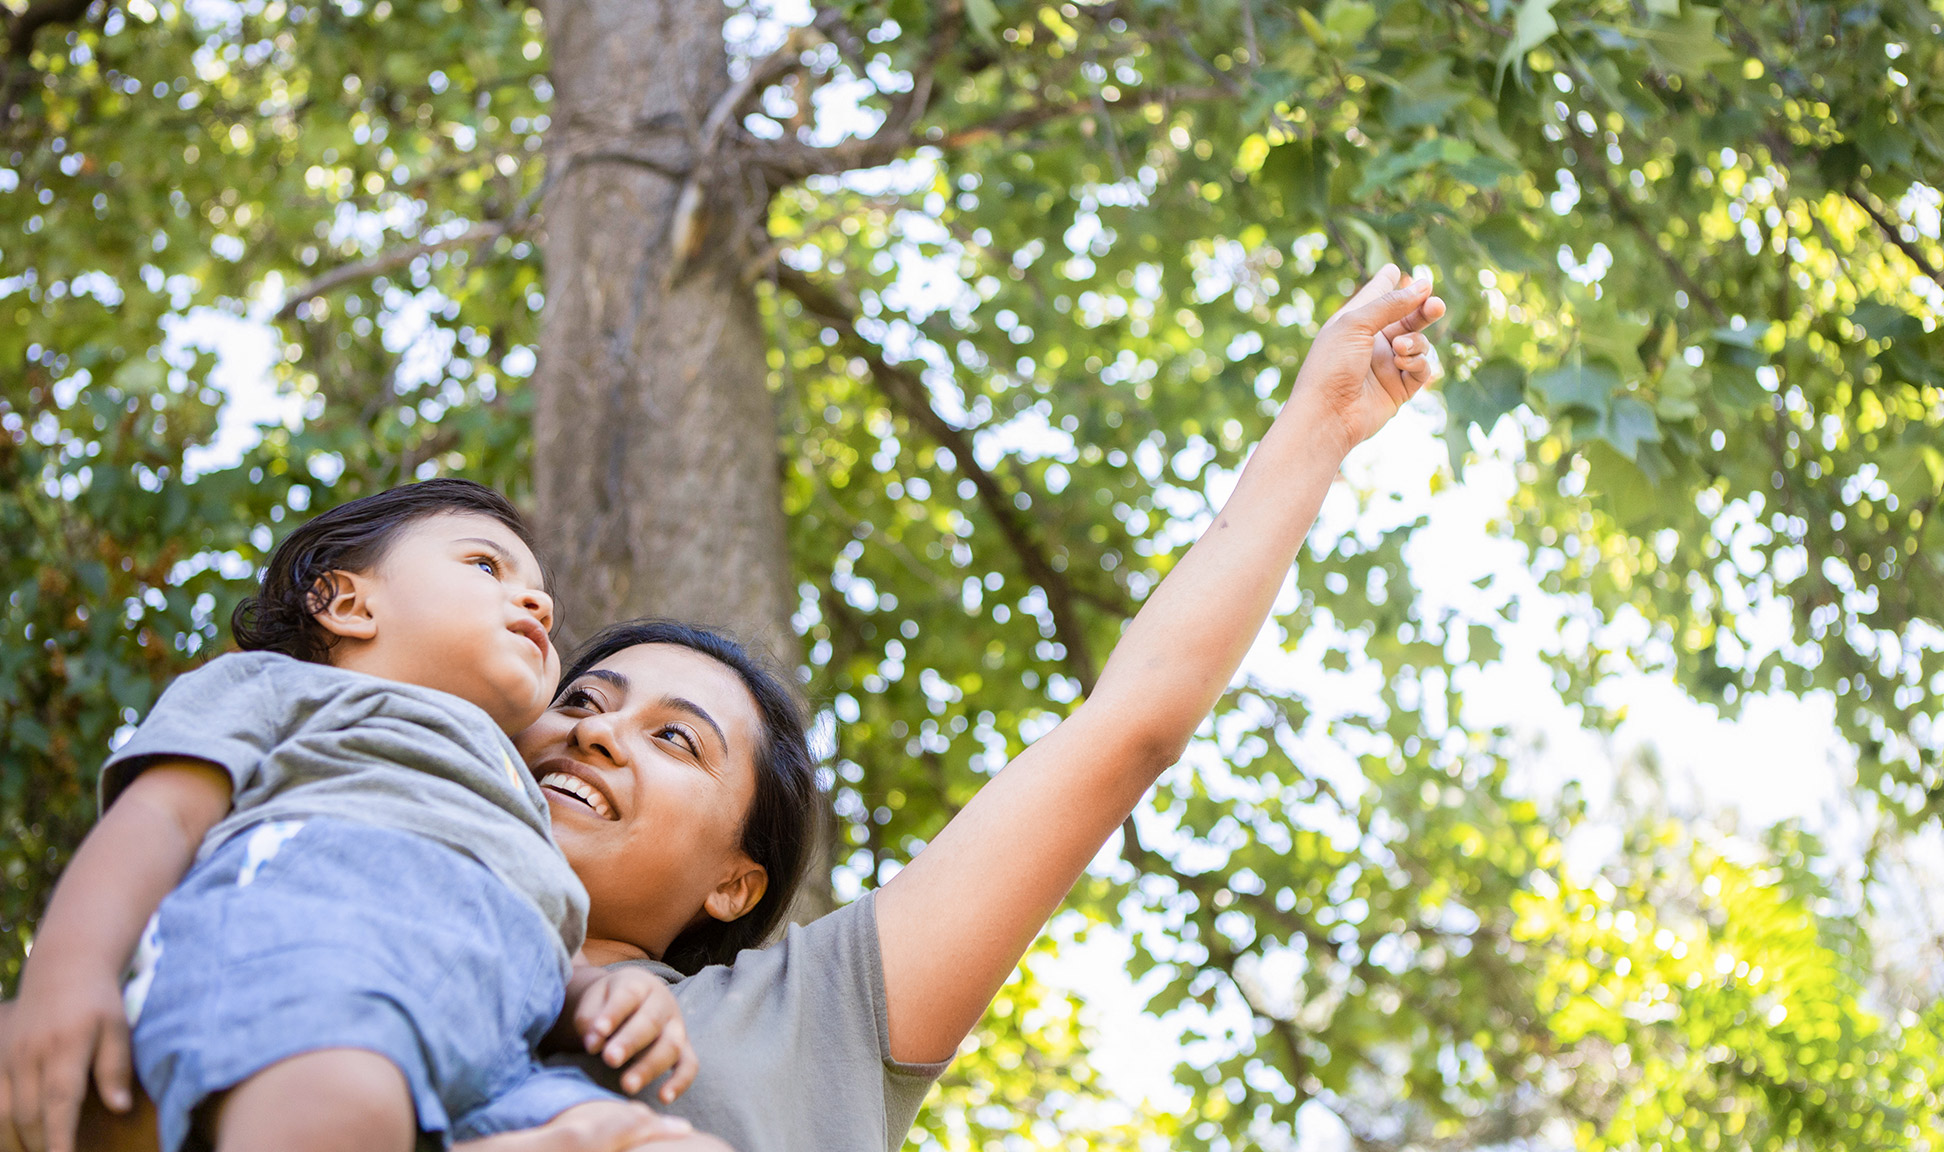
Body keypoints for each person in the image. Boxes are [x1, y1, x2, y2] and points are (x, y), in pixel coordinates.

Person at [9, 264, 1444, 1152]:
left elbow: (1122, 730)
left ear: (740, 876)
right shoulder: (305, 862)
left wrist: (1314, 428)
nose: (595, 731)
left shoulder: (813, 1013)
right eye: (584, 701)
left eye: (674, 740)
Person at [0, 481, 718, 1152]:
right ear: (348, 605)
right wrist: (70, 974)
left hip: (488, 1061)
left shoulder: (518, 798)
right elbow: (157, 822)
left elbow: (524, 943)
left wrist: (602, 993)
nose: (539, 606)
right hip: (302, 977)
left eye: (541, 596)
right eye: (485, 567)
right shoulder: (281, 691)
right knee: (340, 1098)